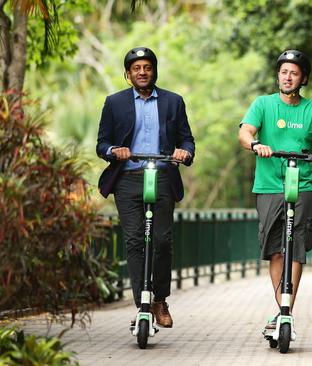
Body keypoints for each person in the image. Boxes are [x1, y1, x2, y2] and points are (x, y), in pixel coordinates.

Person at [238, 49, 312, 332]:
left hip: (303, 186)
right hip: (269, 186)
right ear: (278, 75)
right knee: (275, 251)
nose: (288, 77)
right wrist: (256, 144)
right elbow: (245, 132)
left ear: (303, 78)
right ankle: (282, 309)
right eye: (284, 72)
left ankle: (285, 310)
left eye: (294, 73)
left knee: (295, 250)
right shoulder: (263, 104)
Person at [96, 46, 195, 328]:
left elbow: (188, 140)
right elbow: (101, 144)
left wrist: (183, 152)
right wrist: (115, 150)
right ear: (128, 74)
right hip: (127, 179)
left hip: (162, 175)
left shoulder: (173, 101)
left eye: (147, 67)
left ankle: (159, 299)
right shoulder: (114, 103)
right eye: (136, 68)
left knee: (162, 241)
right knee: (135, 240)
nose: (142, 72)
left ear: (154, 71)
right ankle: (142, 300)